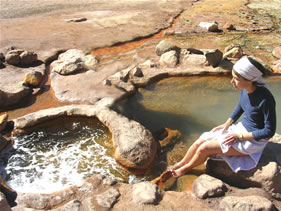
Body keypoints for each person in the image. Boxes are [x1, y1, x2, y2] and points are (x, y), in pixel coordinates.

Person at [169, 56, 276, 177]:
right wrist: (227, 123)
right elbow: (241, 105)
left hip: (251, 140)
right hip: (240, 130)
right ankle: (182, 163)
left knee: (204, 148)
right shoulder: (245, 89)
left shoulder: (266, 99)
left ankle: (185, 169)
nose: (232, 81)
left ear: (249, 80)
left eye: (236, 78)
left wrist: (239, 137)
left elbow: (269, 131)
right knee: (201, 140)